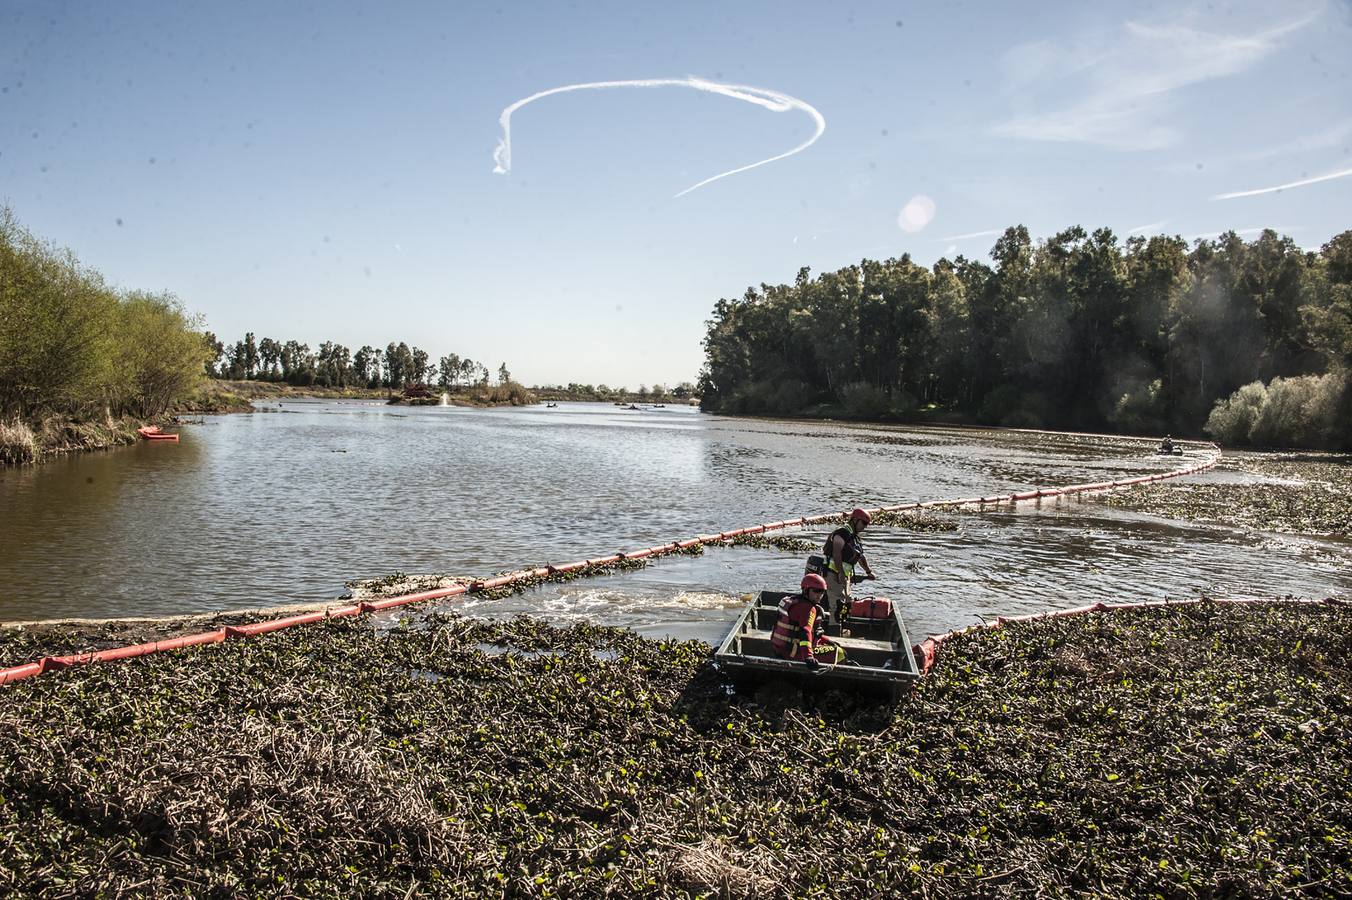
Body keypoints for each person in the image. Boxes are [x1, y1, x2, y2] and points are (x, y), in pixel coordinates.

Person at [770, 574, 844, 666]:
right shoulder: (808, 609)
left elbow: (796, 631)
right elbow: (805, 632)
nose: (820, 595)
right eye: (816, 591)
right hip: (795, 654)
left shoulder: (792, 602)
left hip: (780, 650)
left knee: (832, 645)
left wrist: (826, 640)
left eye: (822, 591)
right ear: (806, 590)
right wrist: (808, 657)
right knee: (840, 652)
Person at [823, 508, 876, 624]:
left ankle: (843, 628)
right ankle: (834, 631)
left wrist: (868, 572)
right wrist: (840, 572)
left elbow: (861, 557)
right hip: (833, 574)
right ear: (855, 520)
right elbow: (836, 553)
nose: (865, 527)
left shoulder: (855, 538)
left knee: (847, 603)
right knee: (837, 605)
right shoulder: (842, 533)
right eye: (864, 523)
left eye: (867, 524)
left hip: (845, 577)